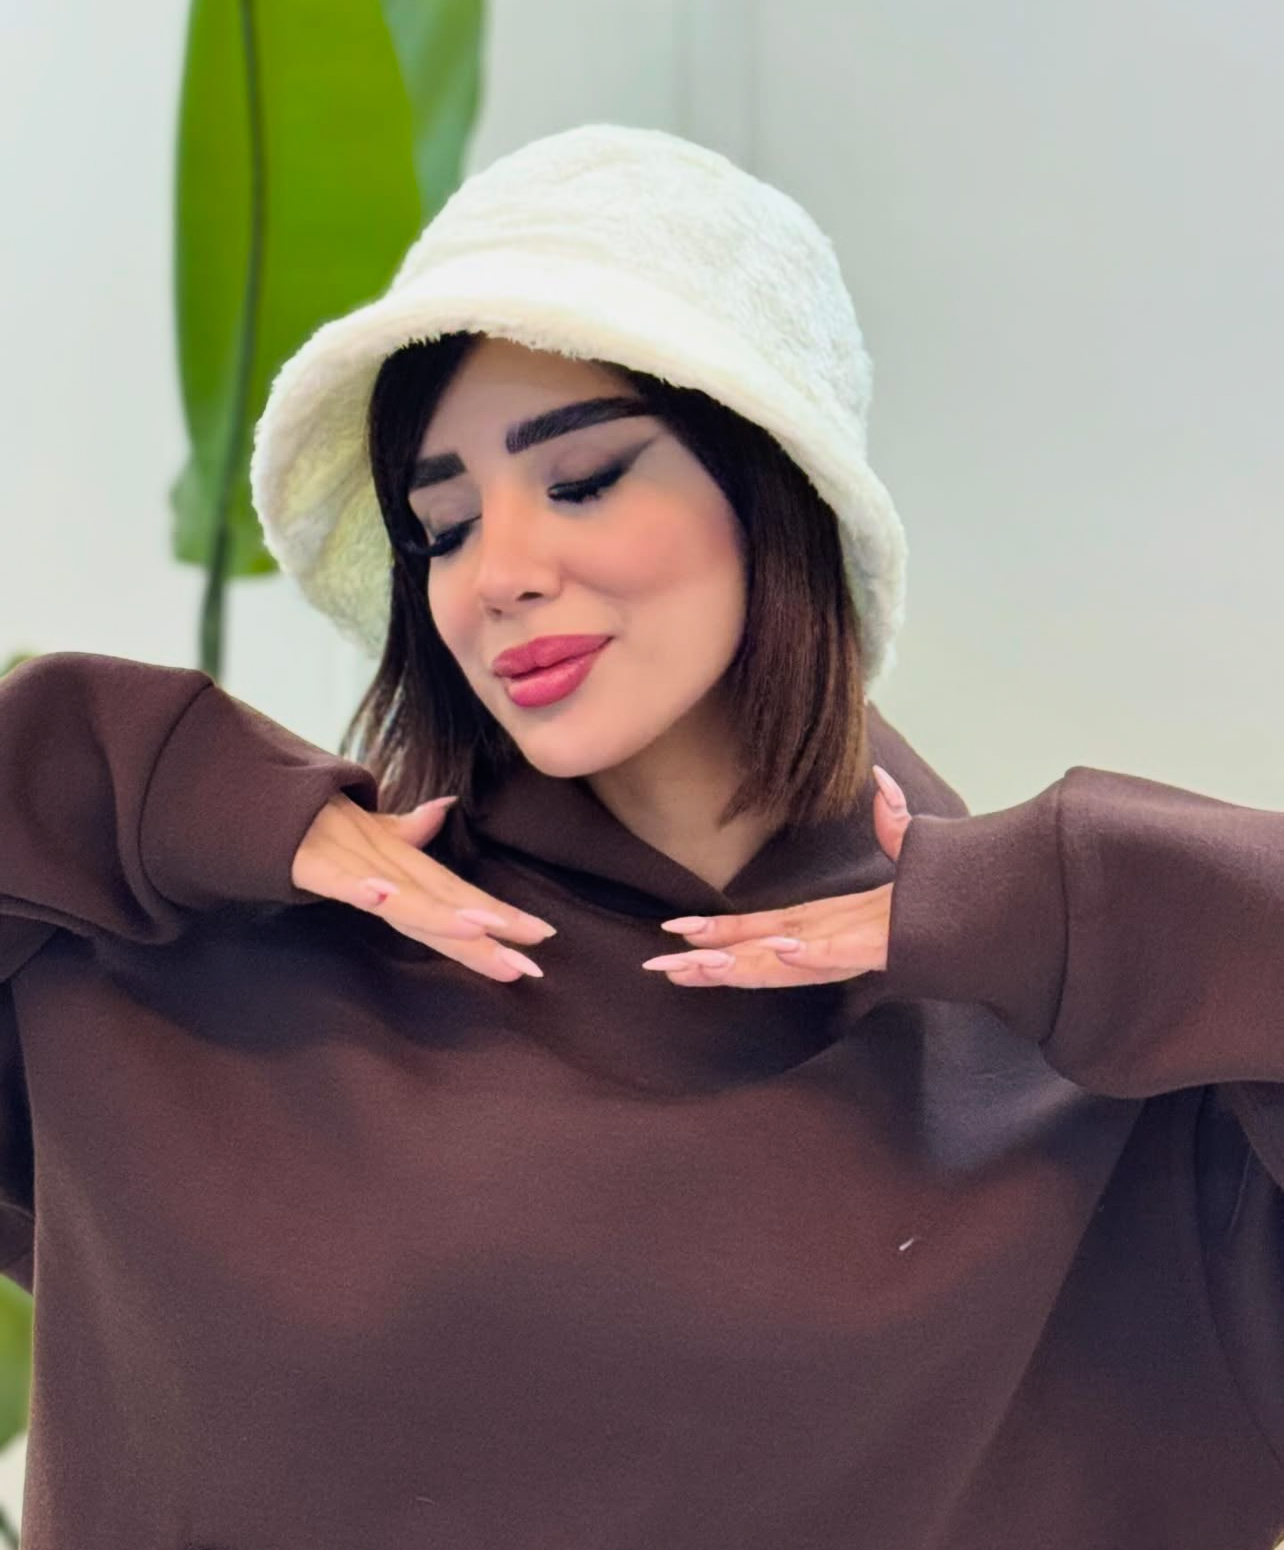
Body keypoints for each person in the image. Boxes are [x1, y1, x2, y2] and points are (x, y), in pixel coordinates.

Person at [0, 122, 1280, 1549]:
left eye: (584, 478)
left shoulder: (1077, 1088)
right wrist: (158, 777)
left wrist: (1066, 898)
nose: (497, 574)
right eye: (440, 526)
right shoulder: (233, 995)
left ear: (772, 490)